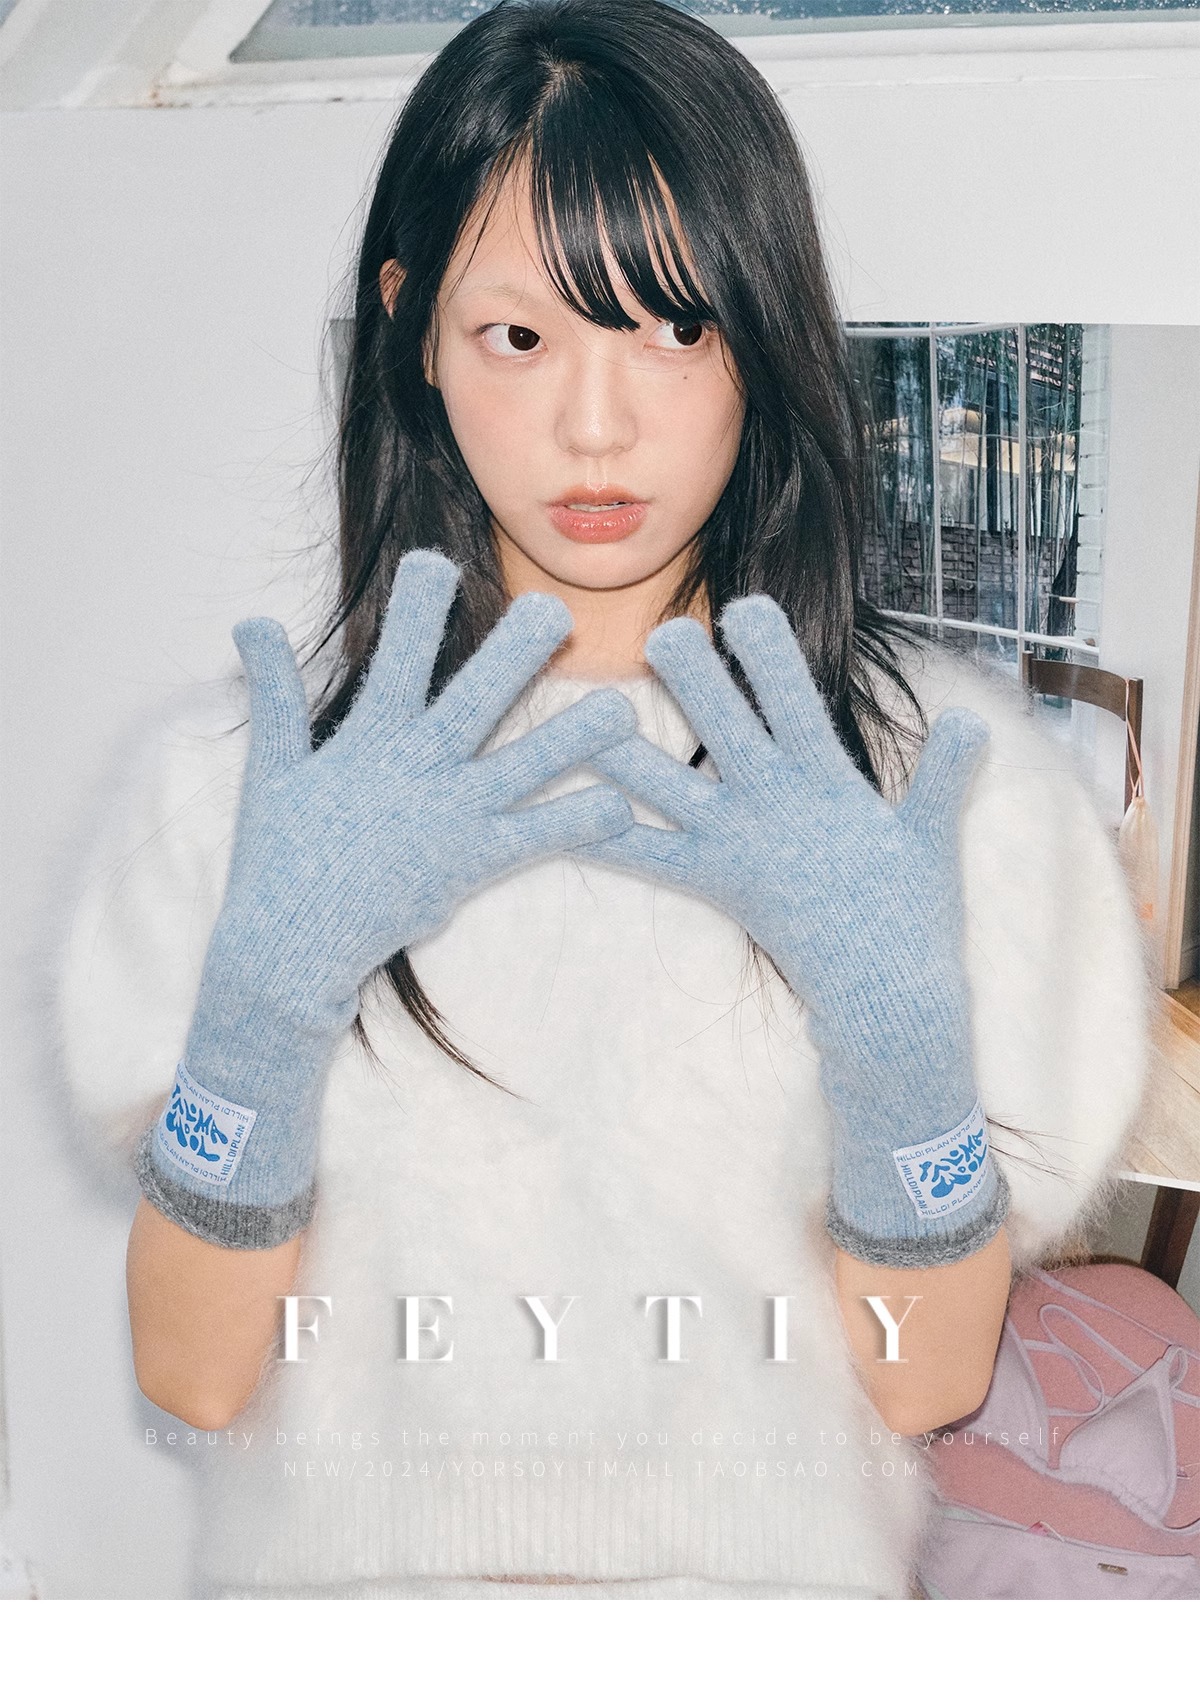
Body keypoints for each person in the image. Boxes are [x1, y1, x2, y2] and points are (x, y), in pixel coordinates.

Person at [53, 0, 1152, 1599]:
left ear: (764, 332)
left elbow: (924, 1382)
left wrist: (900, 1042)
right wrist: (265, 1003)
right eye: (521, 338)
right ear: (413, 328)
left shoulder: (933, 788)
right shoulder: (257, 788)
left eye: (673, 329)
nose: (595, 424)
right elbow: (196, 1375)